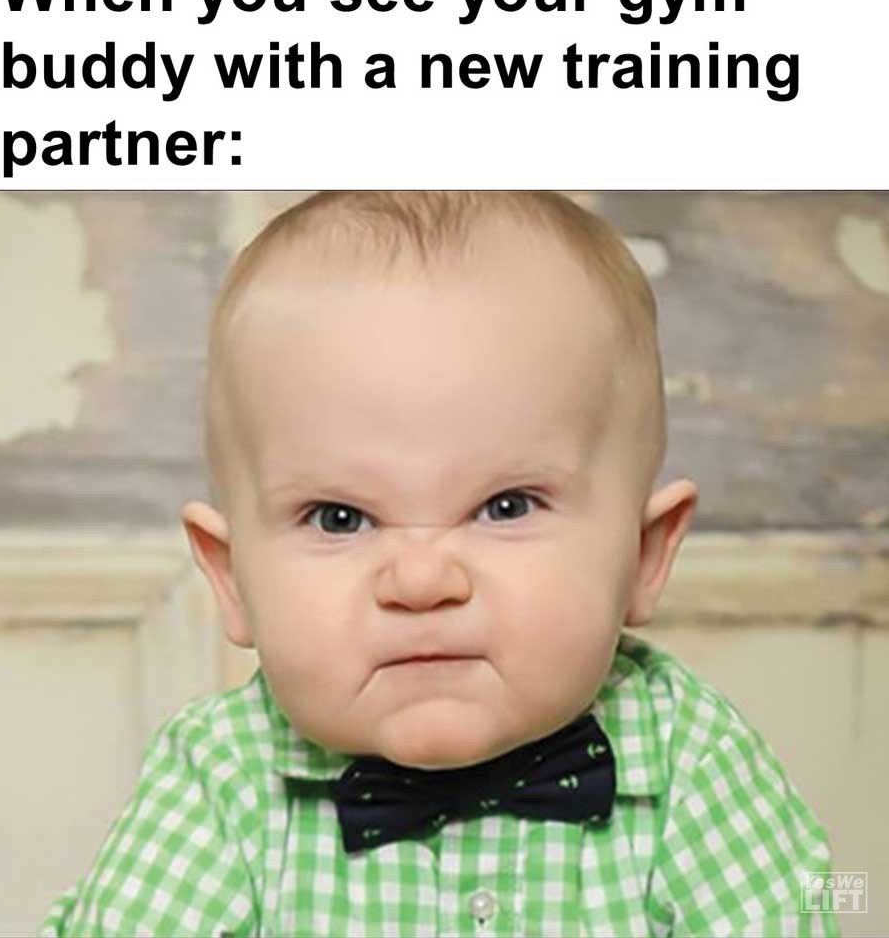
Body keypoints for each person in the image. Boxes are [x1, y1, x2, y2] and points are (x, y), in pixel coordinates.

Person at [41, 191, 836, 937]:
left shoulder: (696, 758)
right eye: (339, 518)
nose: (420, 583)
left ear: (643, 556)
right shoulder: (221, 777)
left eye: (506, 506)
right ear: (232, 578)